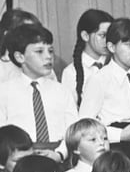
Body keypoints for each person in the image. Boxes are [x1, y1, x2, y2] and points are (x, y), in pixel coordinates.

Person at [79, 17, 130, 169]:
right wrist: (120, 135)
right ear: (111, 47)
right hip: (117, 147)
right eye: (129, 44)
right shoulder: (99, 79)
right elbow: (84, 124)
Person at [0, 23, 78, 162]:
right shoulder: (4, 92)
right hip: (20, 160)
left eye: (51, 51)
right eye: (39, 51)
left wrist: (60, 154)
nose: (48, 57)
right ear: (20, 57)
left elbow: (72, 130)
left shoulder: (62, 91)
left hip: (57, 156)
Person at [61, 9, 113, 105]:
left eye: (110, 35)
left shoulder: (115, 64)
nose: (108, 41)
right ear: (85, 36)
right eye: (102, 35)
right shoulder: (70, 73)